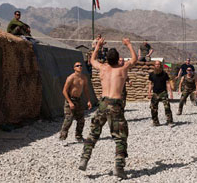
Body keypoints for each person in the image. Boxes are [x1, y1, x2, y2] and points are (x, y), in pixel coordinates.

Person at [79, 37, 137, 179]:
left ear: (107, 59)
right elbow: (135, 59)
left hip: (103, 103)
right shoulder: (122, 69)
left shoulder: (103, 68)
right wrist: (128, 44)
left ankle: (84, 159)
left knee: (93, 133)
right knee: (120, 137)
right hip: (116, 104)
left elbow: (92, 61)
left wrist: (97, 46)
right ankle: (119, 167)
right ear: (118, 59)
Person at [59, 62, 92, 142]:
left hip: (78, 100)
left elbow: (86, 90)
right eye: (77, 66)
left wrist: (88, 100)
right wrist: (70, 102)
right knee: (68, 120)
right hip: (70, 99)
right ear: (74, 68)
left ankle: (79, 136)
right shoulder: (71, 78)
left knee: (81, 120)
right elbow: (64, 91)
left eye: (81, 65)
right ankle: (62, 138)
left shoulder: (84, 77)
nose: (79, 67)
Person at [148, 61, 174, 126]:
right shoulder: (151, 74)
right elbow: (150, 84)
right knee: (153, 108)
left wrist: (171, 93)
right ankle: (155, 122)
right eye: (156, 64)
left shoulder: (164, 74)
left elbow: (168, 83)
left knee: (167, 107)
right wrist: (149, 92)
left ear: (160, 65)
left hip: (163, 93)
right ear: (154, 66)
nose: (157, 65)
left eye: (158, 64)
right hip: (155, 93)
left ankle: (169, 121)